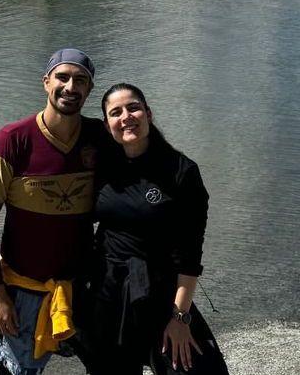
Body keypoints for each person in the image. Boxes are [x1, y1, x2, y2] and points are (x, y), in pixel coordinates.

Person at [77, 83, 229, 375]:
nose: (126, 117)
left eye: (133, 107)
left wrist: (180, 317)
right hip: (107, 293)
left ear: (148, 113)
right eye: (115, 112)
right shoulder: (102, 166)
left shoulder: (180, 171)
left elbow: (190, 253)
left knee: (201, 369)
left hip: (161, 294)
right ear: (108, 126)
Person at [0, 48, 101, 375]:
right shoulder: (11, 141)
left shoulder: (99, 138)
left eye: (81, 80)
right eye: (63, 77)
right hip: (23, 291)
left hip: (84, 287)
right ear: (46, 82)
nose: (71, 87)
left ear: (89, 89)